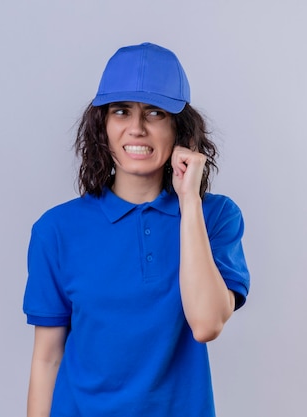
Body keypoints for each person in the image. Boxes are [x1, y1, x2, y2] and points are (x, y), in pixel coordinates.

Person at [23, 42, 250, 417]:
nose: (136, 129)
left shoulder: (216, 217)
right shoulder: (56, 230)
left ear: (181, 129)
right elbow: (47, 359)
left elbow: (207, 323)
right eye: (121, 111)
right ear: (103, 124)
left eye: (156, 113)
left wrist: (189, 200)